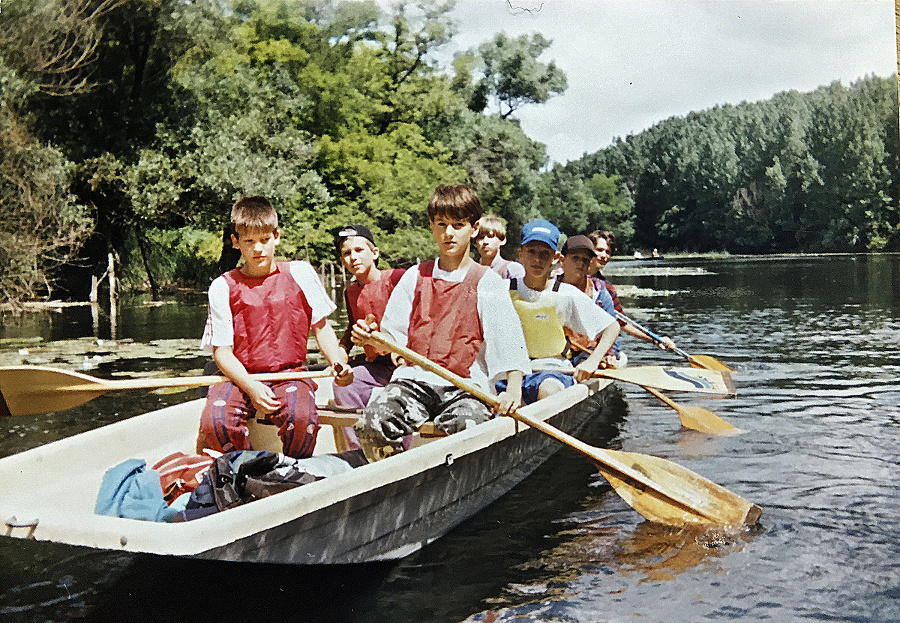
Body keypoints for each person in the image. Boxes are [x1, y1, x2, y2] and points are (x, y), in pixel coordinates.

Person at [351, 184, 529, 458]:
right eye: (441, 224)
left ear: (474, 227)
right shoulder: (414, 276)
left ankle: (457, 481)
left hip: (467, 388)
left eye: (458, 225)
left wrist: (513, 391)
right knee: (371, 423)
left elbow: (510, 344)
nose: (448, 233)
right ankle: (400, 480)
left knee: (469, 426)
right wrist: (371, 337)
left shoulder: (488, 283)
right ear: (432, 227)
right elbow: (389, 340)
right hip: (414, 382)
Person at [198, 196, 352, 459]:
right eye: (249, 241)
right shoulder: (222, 286)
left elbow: (322, 328)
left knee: (301, 418)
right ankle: (240, 472)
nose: (258, 249)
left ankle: (292, 471)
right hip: (239, 376)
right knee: (216, 423)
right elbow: (222, 352)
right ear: (236, 242)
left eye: (264, 240)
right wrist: (251, 387)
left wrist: (337, 361)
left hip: (289, 374)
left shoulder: (300, 273)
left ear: (276, 236)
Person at [499, 219, 620, 404]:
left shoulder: (566, 293)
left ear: (555, 258)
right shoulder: (502, 290)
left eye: (544, 254)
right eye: (531, 252)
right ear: (520, 254)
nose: (537, 260)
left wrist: (592, 361)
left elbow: (612, 327)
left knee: (548, 390)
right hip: (508, 374)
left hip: (553, 371)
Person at [331, 224, 405, 409]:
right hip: (378, 365)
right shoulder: (350, 293)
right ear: (342, 260)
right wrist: (340, 355)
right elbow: (351, 330)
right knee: (343, 387)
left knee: (399, 396)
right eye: (347, 253)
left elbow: (419, 320)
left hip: (407, 362)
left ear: (374, 253)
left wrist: (403, 350)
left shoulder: (397, 279)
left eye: (359, 250)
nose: (353, 257)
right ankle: (357, 438)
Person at [588, 229, 676, 353]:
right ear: (588, 250)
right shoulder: (569, 279)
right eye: (600, 250)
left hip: (601, 348)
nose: (604, 256)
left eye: (608, 252)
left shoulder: (607, 289)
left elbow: (623, 323)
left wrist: (655, 339)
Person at [474, 214, 525, 280]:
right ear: (475, 243)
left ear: (502, 240)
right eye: (480, 238)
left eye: (490, 236)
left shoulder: (513, 270)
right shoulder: (471, 272)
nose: (485, 242)